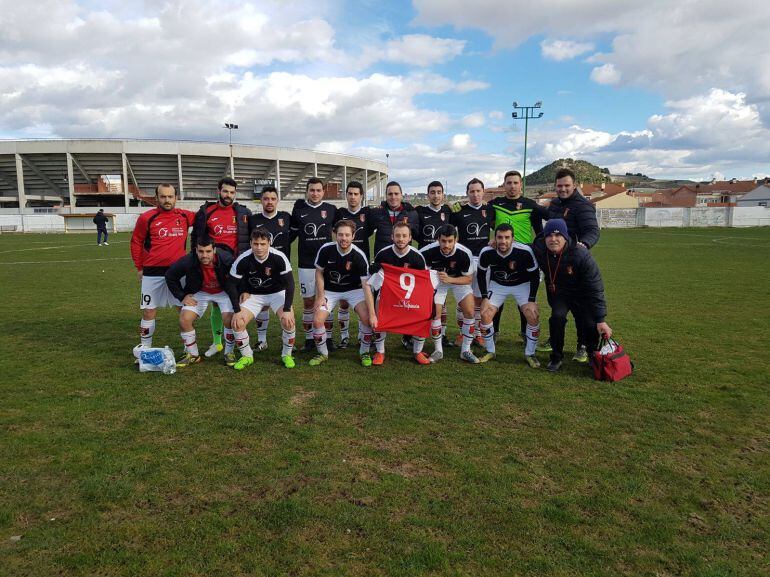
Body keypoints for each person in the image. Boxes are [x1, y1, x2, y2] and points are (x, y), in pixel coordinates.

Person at [532, 219, 612, 372]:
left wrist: (601, 319)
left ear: (565, 236)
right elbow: (521, 251)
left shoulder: (580, 254)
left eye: (557, 235)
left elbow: (595, 287)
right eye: (549, 235)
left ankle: (592, 354)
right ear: (544, 237)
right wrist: (497, 243)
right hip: (560, 294)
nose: (553, 239)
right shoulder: (539, 248)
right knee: (557, 318)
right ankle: (556, 357)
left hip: (583, 294)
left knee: (589, 323)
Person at [539, 167, 601, 362]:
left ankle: (582, 345)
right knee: (557, 307)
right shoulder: (555, 203)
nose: (563, 189)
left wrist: (583, 245)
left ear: (574, 185)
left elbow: (593, 230)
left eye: (567, 185)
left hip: (574, 264)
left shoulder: (583, 206)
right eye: (559, 186)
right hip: (554, 264)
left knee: (581, 310)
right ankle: (555, 339)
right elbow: (547, 224)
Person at [130, 183, 196, 357]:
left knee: (184, 311)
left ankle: (189, 349)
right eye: (163, 196)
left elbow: (207, 218)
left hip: (178, 272)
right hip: (152, 272)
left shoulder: (185, 216)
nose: (167, 200)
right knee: (149, 310)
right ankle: (145, 348)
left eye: (170, 196)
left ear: (176, 197)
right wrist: (139, 267)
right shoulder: (146, 218)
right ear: (156, 198)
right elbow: (136, 242)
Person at [190, 177, 252, 359]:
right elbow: (197, 239)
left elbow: (248, 239)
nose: (228, 195)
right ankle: (217, 343)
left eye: (232, 192)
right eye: (225, 191)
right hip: (214, 266)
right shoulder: (206, 212)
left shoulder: (242, 213)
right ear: (218, 190)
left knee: (235, 305)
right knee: (216, 305)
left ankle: (233, 345)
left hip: (236, 266)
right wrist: (196, 260)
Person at [488, 170, 549, 339]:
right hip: (501, 256)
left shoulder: (530, 205)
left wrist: (534, 248)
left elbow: (541, 231)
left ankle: (525, 332)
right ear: (504, 184)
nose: (512, 186)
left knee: (525, 298)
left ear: (521, 185)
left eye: (516, 183)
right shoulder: (495, 204)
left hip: (524, 258)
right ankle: (495, 331)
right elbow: (484, 220)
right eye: (509, 183)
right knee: (497, 297)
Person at [165, 235, 240, 367]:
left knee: (228, 320)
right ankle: (193, 355)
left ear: (214, 250)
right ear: (196, 250)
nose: (204, 255)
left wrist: (242, 293)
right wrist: (182, 296)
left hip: (222, 292)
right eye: (201, 251)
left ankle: (229, 352)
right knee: (184, 320)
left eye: (208, 251)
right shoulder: (188, 260)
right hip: (200, 292)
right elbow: (170, 275)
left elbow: (240, 277)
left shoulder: (227, 260)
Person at [229, 228, 297, 369]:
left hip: (277, 293)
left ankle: (287, 355)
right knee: (237, 322)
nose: (259, 247)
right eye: (255, 244)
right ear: (251, 243)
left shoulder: (279, 257)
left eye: (263, 244)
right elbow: (231, 285)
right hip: (254, 295)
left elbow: (290, 285)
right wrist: (236, 310)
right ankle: (247, 356)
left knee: (288, 321)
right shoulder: (243, 259)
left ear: (269, 243)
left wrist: (286, 309)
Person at [309, 220, 374, 367]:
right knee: (318, 320)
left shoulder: (359, 255)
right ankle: (322, 353)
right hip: (330, 291)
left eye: (347, 235)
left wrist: (372, 313)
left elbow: (366, 285)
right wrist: (320, 297)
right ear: (335, 235)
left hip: (354, 290)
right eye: (340, 234)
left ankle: (364, 352)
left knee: (366, 318)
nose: (343, 238)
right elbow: (319, 273)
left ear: (353, 236)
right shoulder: (326, 249)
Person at [476, 224, 541, 367]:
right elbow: (481, 274)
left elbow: (535, 275)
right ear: (495, 238)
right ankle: (490, 351)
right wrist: (485, 297)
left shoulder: (524, 251)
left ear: (513, 239)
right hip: (498, 284)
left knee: (532, 314)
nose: (503, 241)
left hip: (522, 284)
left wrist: (531, 300)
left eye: (507, 238)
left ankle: (530, 353)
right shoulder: (487, 252)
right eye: (499, 237)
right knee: (485, 313)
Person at [364, 221, 427, 365]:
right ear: (392, 237)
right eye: (397, 235)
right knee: (380, 310)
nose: (401, 239)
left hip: (410, 296)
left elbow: (423, 282)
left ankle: (417, 351)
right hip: (388, 294)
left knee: (424, 314)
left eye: (404, 236)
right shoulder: (383, 253)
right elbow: (373, 279)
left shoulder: (417, 256)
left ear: (410, 238)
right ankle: (380, 351)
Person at [418, 224, 478, 364]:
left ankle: (465, 350)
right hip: (437, 283)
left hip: (458, 281)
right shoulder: (427, 251)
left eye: (450, 241)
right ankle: (438, 350)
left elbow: (468, 278)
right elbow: (420, 273)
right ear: (438, 239)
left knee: (470, 311)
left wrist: (450, 279)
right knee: (436, 313)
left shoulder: (464, 253)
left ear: (455, 240)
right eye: (443, 241)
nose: (446, 244)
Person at [290, 177, 337, 352]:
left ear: (323, 192)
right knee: (309, 302)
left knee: (326, 301)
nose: (315, 193)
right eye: (312, 190)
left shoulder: (331, 210)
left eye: (318, 190)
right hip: (306, 263)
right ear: (307, 191)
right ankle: (310, 339)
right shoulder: (299, 210)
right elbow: (291, 235)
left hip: (327, 264)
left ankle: (329, 338)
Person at [249, 185, 292, 350]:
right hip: (260, 267)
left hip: (282, 269)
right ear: (261, 201)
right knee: (262, 303)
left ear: (277, 201)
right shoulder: (254, 220)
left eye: (273, 199)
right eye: (266, 198)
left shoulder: (286, 218)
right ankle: (262, 340)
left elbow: (291, 236)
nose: (269, 202)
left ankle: (287, 340)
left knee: (285, 304)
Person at [450, 178, 492, 348]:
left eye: (478, 191)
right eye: (472, 191)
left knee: (479, 299)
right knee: (463, 300)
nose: (475, 194)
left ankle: (477, 333)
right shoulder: (459, 211)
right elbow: (450, 234)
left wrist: (495, 239)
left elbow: (502, 229)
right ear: (467, 193)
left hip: (483, 261)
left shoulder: (490, 210)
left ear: (483, 192)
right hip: (465, 260)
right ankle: (463, 332)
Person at [333, 181, 373, 348]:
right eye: (350, 193)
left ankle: (361, 335)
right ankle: (344, 336)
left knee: (361, 302)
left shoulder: (368, 213)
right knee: (343, 302)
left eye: (356, 194)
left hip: (361, 265)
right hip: (342, 263)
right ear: (346, 195)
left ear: (362, 196)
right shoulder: (339, 213)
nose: (353, 197)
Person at [415, 181, 453, 348]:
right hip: (424, 263)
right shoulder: (419, 211)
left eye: (439, 192)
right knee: (419, 301)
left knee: (441, 302)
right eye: (432, 192)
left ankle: (442, 334)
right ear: (427, 194)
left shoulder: (449, 211)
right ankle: (411, 334)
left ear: (443, 194)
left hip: (443, 262)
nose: (436, 195)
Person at [368, 181, 419, 256]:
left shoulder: (411, 214)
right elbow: (367, 232)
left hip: (404, 261)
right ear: (386, 196)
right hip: (383, 261)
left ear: (401, 195)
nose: (393, 197)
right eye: (390, 194)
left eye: (396, 194)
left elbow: (418, 237)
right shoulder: (376, 213)